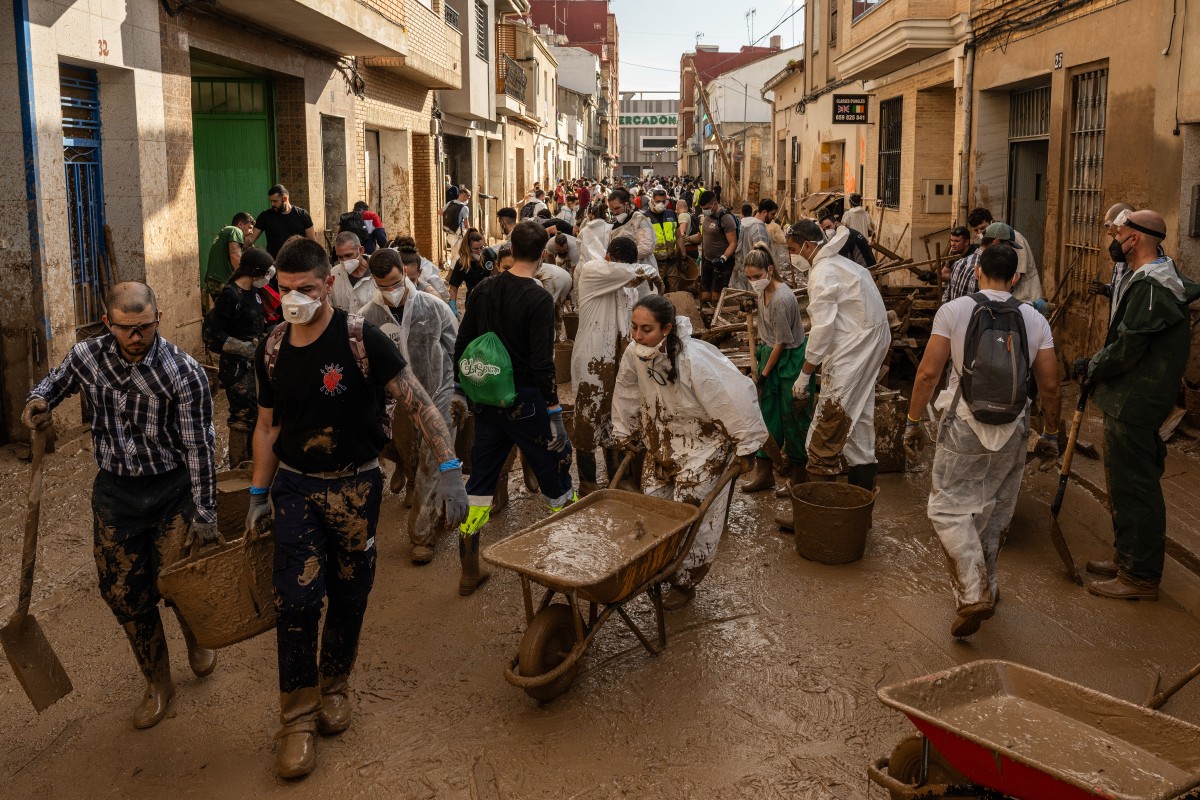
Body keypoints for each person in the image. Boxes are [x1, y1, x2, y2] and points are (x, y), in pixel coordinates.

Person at [246, 237, 467, 779]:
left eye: (306, 288)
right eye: (285, 288)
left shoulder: (362, 339)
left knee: (350, 591)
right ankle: (297, 716)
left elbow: (417, 401)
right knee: (295, 600)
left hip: (356, 487)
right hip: (296, 487)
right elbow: (267, 425)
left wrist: (450, 470)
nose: (294, 297)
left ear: (329, 286)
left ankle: (336, 685)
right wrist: (256, 493)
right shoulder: (272, 347)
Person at [23, 282, 219, 730]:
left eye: (145, 328)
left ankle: (196, 636)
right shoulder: (88, 356)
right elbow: (56, 382)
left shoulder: (183, 372)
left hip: (172, 491)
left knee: (178, 581)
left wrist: (205, 514)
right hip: (116, 493)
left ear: (159, 318)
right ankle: (157, 682)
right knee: (123, 592)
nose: (136, 337)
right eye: (126, 329)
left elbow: (200, 450)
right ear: (108, 323)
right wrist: (39, 399)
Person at [903, 244, 1060, 637]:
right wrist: (1052, 434)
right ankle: (989, 584)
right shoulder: (1034, 318)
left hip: (964, 423)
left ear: (977, 273)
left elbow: (927, 374)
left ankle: (973, 591)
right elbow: (1051, 385)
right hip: (1014, 425)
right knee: (994, 513)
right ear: (1017, 279)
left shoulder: (954, 311)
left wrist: (913, 420)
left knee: (948, 510)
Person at [1076, 209, 1200, 601]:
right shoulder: (1153, 275)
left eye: (1119, 233)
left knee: (1135, 486)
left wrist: (1092, 365)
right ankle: (1127, 555)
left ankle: (1140, 575)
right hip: (1130, 397)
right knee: (1124, 482)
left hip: (1136, 400)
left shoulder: (1153, 286)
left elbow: (1128, 348)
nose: (1114, 239)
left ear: (1137, 239)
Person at [611, 295, 766, 609]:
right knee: (655, 509)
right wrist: (625, 430)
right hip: (662, 443)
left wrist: (746, 445)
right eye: (634, 327)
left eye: (646, 329)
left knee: (692, 515)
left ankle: (685, 581)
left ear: (667, 328)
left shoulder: (694, 359)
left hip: (703, 448)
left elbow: (731, 398)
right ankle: (658, 567)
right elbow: (626, 390)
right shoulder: (634, 353)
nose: (637, 336)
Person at [453, 221, 575, 584]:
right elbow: (542, 363)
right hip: (526, 402)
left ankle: (469, 571)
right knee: (555, 470)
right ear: (543, 255)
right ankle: (566, 559)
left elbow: (462, 343)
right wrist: (554, 413)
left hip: (488, 401)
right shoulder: (538, 297)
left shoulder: (484, 289)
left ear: (510, 246)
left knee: (480, 480)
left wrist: (463, 389)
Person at [358, 248, 459, 566]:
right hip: (395, 403)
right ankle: (411, 478)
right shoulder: (367, 318)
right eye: (383, 286)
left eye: (395, 282)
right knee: (405, 454)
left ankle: (421, 536)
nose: (391, 291)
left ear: (405, 272)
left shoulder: (433, 308)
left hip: (436, 394)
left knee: (432, 463)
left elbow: (455, 349)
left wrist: (458, 394)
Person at [788, 220, 891, 488]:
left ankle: (819, 512)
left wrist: (805, 373)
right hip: (867, 345)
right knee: (858, 424)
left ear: (808, 246)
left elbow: (822, 329)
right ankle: (859, 509)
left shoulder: (823, 273)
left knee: (828, 425)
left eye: (793, 249)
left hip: (854, 350)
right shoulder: (846, 265)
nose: (791, 257)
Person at [572, 237, 646, 494]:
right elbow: (638, 271)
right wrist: (647, 272)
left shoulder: (629, 288)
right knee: (587, 418)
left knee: (618, 416)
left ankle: (619, 478)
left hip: (620, 358)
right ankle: (587, 482)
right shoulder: (592, 271)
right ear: (608, 258)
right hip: (592, 360)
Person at [741, 246, 811, 493]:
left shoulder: (782, 298)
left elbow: (781, 342)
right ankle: (765, 473)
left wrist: (764, 375)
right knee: (767, 414)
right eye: (749, 278)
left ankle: (799, 477)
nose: (753, 282)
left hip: (788, 358)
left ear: (769, 270)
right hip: (768, 353)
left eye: (757, 277)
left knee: (792, 416)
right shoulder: (763, 292)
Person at [204, 248, 274, 467]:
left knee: (258, 412)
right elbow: (214, 336)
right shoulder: (230, 294)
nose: (268, 277)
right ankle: (237, 466)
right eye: (266, 272)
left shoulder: (254, 292)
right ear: (255, 271)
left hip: (255, 363)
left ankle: (255, 462)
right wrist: (244, 348)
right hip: (236, 367)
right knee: (242, 415)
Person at [966, 207, 1043, 305]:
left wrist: (998, 294)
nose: (980, 233)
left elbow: (1017, 275)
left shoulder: (1013, 239)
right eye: (976, 230)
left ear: (992, 222)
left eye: (982, 228)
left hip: (1025, 297)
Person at [943, 224, 1021, 304]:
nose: (1009, 250)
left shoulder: (959, 263)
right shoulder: (989, 269)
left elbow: (946, 298)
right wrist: (1009, 286)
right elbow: (996, 306)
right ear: (996, 242)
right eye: (1008, 246)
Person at [1088, 203, 1137, 324]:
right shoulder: (1120, 254)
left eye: (1108, 226)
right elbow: (1121, 289)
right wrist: (1106, 289)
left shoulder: (1138, 257)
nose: (1108, 232)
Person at [245, 185, 319, 258]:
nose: (272, 204)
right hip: (275, 263)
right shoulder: (265, 216)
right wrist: (236, 243)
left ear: (285, 198)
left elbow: (312, 242)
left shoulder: (302, 215)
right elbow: (250, 239)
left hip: (299, 263)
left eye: (275, 201)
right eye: (271, 201)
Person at [202, 211, 255, 306]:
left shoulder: (226, 231)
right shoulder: (235, 230)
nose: (251, 231)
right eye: (250, 228)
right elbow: (235, 255)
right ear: (241, 224)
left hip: (214, 280)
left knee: (224, 312)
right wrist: (243, 278)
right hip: (222, 280)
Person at [697, 190, 738, 304]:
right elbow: (703, 236)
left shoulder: (726, 219)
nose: (704, 211)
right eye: (702, 208)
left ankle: (716, 317)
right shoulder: (707, 216)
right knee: (705, 295)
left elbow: (733, 243)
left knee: (716, 296)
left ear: (714, 204)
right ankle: (706, 317)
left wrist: (723, 258)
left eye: (706, 208)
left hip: (721, 264)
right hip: (707, 261)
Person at [608, 187, 658, 281]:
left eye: (617, 208)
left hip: (642, 270)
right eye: (612, 210)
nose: (614, 212)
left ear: (626, 204)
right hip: (623, 272)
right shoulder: (615, 223)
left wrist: (624, 260)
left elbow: (646, 247)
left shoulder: (639, 219)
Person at [391, 235, 451, 304]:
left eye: (411, 280)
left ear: (419, 272)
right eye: (402, 280)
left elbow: (443, 299)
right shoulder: (389, 294)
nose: (407, 285)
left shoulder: (430, 295)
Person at [733, 200, 776, 291]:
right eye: (772, 214)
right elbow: (761, 254)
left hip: (746, 270)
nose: (773, 217)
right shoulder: (758, 228)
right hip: (757, 272)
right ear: (764, 212)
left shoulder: (746, 224)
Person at [448, 229, 495, 310]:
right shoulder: (462, 263)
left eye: (481, 248)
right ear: (468, 248)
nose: (479, 251)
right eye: (475, 249)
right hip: (473, 301)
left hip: (491, 300)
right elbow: (453, 288)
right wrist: (452, 306)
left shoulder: (488, 255)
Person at [646, 188, 682, 292]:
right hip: (656, 262)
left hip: (672, 260)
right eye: (658, 201)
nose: (661, 204)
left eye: (663, 201)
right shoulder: (645, 217)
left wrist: (683, 256)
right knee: (657, 291)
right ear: (652, 201)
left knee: (674, 290)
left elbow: (678, 236)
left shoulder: (671, 214)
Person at [328, 232, 374, 314]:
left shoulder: (377, 270)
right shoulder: (333, 274)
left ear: (361, 250)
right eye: (340, 257)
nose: (344, 261)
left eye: (348, 255)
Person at [443, 188, 472, 262]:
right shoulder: (464, 208)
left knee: (453, 252)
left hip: (451, 232)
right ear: (464, 196)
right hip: (460, 233)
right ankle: (455, 270)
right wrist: (470, 232)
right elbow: (466, 224)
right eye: (467, 198)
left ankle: (452, 270)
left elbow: (440, 212)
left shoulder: (450, 203)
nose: (467, 200)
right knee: (459, 254)